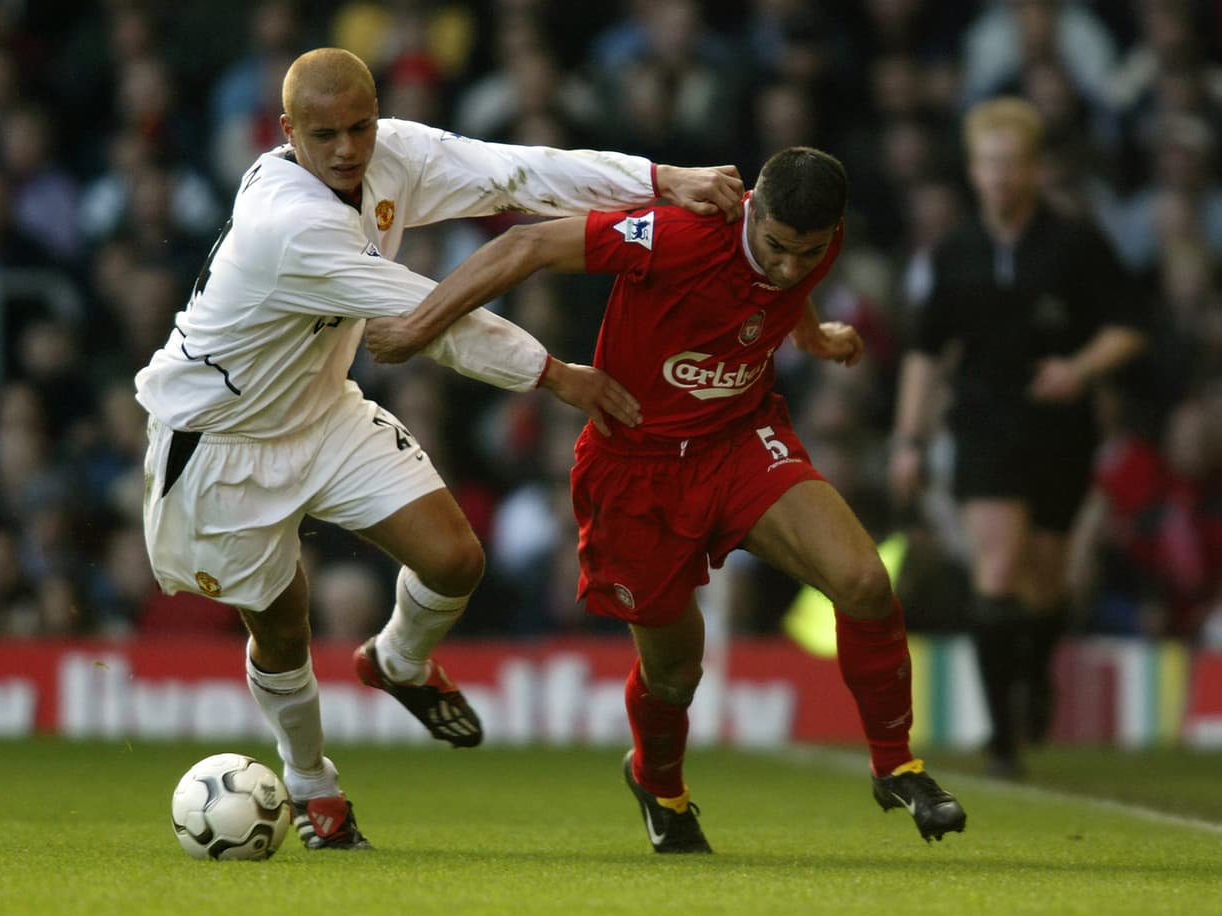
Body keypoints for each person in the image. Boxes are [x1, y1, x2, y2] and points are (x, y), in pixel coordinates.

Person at [135, 47, 744, 851]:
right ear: (288, 132)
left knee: (455, 560)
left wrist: (663, 180)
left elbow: (516, 172)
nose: (349, 149)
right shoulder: (290, 226)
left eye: (361, 125)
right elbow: (437, 316)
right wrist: (557, 375)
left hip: (321, 412)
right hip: (221, 442)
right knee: (283, 625)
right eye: (326, 135)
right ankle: (315, 788)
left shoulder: (391, 156)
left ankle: (396, 660)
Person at [363, 146, 968, 852]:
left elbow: (780, 295)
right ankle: (658, 783)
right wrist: (417, 325)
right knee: (675, 671)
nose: (790, 265)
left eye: (809, 253)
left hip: (740, 440)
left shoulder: (812, 240)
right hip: (635, 468)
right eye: (776, 246)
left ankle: (898, 766)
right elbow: (527, 244)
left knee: (865, 582)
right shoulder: (679, 234)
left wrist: (814, 334)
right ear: (754, 213)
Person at [888, 97, 1147, 778]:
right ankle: (1004, 737)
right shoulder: (955, 253)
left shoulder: (1075, 244)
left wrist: (1080, 369)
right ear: (974, 170)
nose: (1000, 178)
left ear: (1034, 170)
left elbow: (1128, 324)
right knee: (997, 568)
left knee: (1046, 582)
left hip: (1059, 429)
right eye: (989, 165)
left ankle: (1034, 673)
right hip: (982, 423)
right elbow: (924, 350)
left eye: (1012, 165)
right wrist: (909, 440)